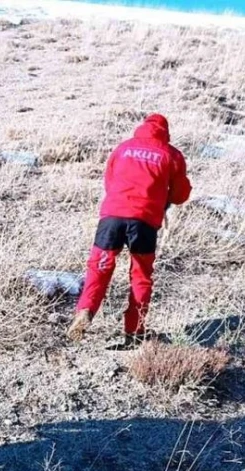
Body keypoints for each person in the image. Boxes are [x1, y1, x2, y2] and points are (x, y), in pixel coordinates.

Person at [67, 113, 192, 349]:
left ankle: (85, 310)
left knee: (99, 267)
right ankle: (134, 332)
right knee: (141, 275)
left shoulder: (123, 148)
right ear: (166, 132)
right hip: (144, 222)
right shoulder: (171, 154)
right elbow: (180, 195)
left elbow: (110, 181)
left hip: (112, 218)